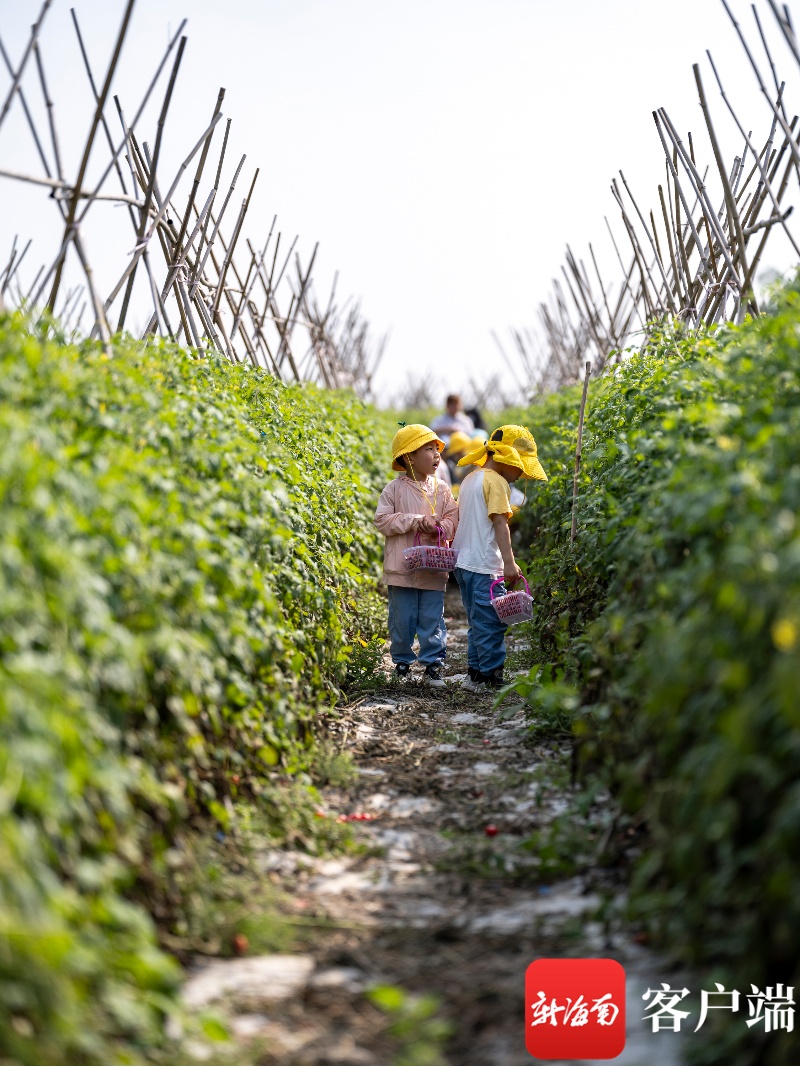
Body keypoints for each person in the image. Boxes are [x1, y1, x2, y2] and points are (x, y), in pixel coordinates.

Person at [451, 424, 547, 691]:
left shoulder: (471, 478)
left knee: (476, 621)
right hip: (484, 565)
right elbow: (500, 524)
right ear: (507, 459)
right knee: (492, 623)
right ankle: (490, 676)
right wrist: (509, 562)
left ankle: (475, 673)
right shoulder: (498, 482)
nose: (520, 475)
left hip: (463, 562)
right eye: (520, 467)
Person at [374, 424, 459, 687]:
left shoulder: (442, 489)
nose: (436, 455)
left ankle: (433, 665)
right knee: (402, 618)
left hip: (433, 566)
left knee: (432, 619)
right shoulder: (394, 490)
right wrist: (414, 520)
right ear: (409, 456)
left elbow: (453, 518)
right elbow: (382, 520)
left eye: (437, 450)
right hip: (402, 569)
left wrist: (440, 528)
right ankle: (401, 663)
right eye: (429, 449)